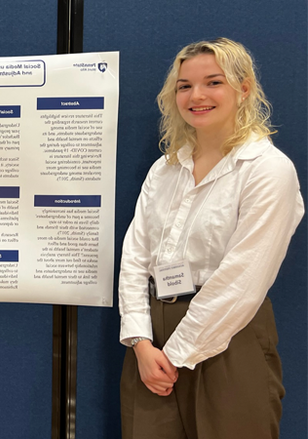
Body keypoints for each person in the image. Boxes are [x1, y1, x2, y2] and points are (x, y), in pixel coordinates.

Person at [118, 38, 303, 439]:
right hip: (153, 344)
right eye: (184, 86)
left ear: (244, 88)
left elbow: (243, 278)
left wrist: (178, 353)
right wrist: (141, 343)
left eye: (213, 82)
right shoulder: (164, 170)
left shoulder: (268, 170)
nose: (196, 95)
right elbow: (135, 257)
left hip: (229, 338)